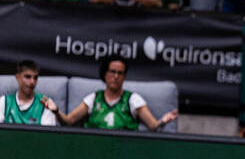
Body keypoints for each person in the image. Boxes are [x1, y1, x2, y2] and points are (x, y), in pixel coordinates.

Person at [48, 56, 178, 131]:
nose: (116, 76)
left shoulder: (133, 100)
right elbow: (68, 121)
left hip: (124, 152)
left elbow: (153, 126)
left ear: (124, 77)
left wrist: (162, 121)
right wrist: (56, 111)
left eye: (120, 73)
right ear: (105, 74)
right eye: (112, 72)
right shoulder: (93, 99)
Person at [0, 60, 57, 125]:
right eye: (28, 77)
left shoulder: (45, 104)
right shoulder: (4, 102)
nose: (32, 82)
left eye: (35, 78)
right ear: (17, 77)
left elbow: (47, 131)